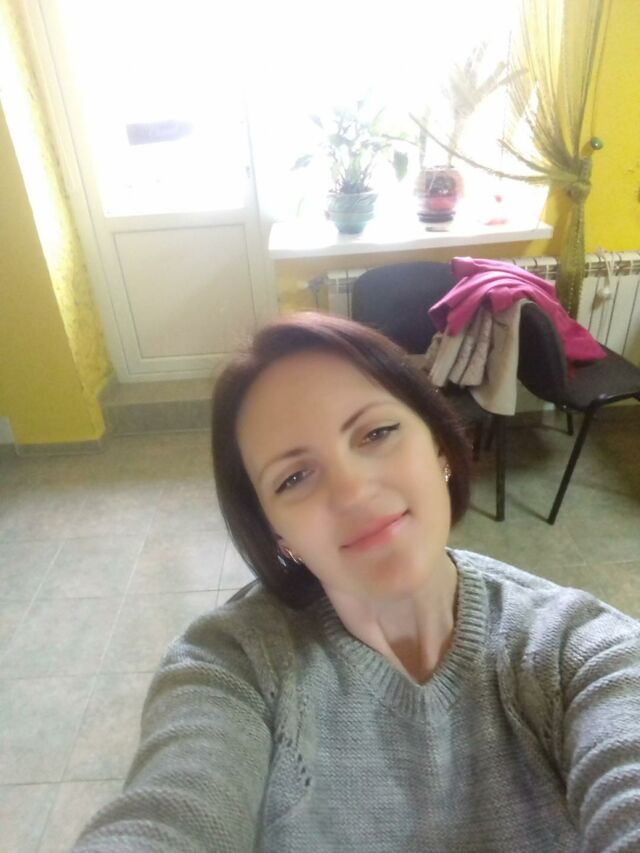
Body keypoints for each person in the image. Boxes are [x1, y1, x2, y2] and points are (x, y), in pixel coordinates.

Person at [74, 311, 640, 852]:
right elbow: (171, 812)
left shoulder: (576, 649)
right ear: (277, 533)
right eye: (294, 477)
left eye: (376, 433)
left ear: (440, 447)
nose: (351, 493)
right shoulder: (233, 664)